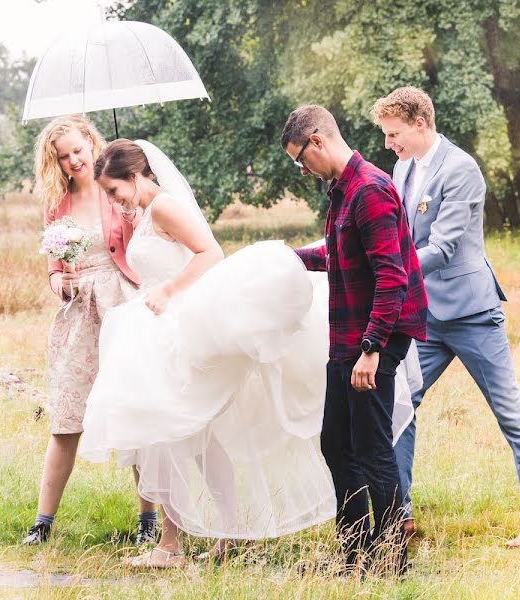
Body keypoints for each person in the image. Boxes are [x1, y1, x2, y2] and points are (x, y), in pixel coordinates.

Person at [79, 138, 345, 568]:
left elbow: (210, 252)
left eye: (114, 191)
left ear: (134, 176)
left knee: (178, 435)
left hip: (178, 328)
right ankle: (209, 536)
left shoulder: (164, 207)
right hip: (155, 328)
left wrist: (166, 291)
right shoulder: (145, 213)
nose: (113, 201)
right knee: (181, 437)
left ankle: (180, 543)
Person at [371, 86, 520, 548]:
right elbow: (400, 234)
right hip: (426, 317)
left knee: (509, 412)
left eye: (394, 133)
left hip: (473, 314)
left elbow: (443, 247)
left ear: (420, 123)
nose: (388, 144)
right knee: (400, 403)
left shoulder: (461, 169)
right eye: (385, 135)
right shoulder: (401, 167)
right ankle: (401, 514)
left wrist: (390, 272)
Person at [281, 104, 428, 574]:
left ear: (318, 141)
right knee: (335, 444)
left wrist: (372, 349)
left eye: (301, 159)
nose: (302, 169)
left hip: (375, 338)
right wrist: (286, 260)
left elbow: (393, 277)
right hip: (348, 334)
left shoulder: (370, 191)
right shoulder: (341, 192)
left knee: (371, 448)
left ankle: (390, 560)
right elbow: (340, 254)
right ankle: (353, 552)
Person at [22, 116, 158, 546]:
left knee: (135, 408)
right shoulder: (56, 205)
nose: (73, 161)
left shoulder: (117, 190)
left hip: (122, 302)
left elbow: (148, 245)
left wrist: (131, 211)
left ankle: (147, 520)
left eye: (78, 151)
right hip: (79, 312)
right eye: (63, 157)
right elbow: (53, 268)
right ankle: (43, 523)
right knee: (66, 414)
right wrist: (58, 283)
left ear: (91, 142)